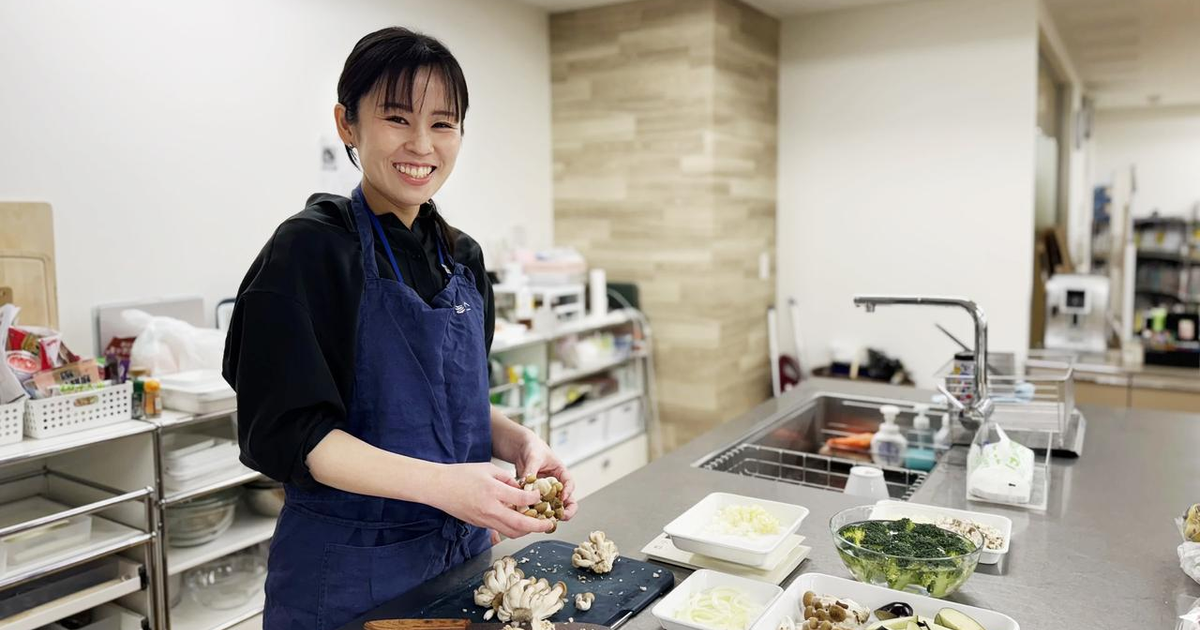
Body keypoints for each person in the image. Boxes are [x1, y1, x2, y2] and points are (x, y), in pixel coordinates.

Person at [222, 26, 576, 630]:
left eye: (443, 123)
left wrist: (519, 443)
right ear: (347, 124)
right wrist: (446, 486)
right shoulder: (309, 251)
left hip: (463, 560)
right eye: (396, 118)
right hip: (347, 573)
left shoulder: (461, 258)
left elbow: (447, 404)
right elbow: (296, 434)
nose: (421, 144)